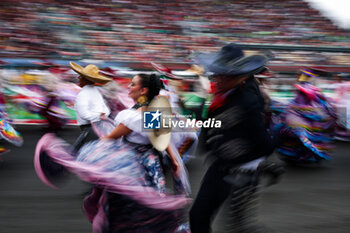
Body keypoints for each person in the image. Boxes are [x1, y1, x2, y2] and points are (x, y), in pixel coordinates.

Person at [34, 73, 191, 233]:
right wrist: (174, 161)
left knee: (126, 207)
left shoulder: (133, 117)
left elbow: (111, 137)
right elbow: (164, 140)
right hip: (151, 166)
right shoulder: (151, 114)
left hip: (132, 165)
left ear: (143, 90)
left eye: (132, 84)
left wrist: (95, 152)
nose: (128, 87)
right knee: (152, 204)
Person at [189, 43, 275, 233]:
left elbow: (264, 142)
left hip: (240, 171)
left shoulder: (247, 101)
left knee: (238, 226)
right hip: (221, 165)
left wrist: (252, 165)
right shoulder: (222, 96)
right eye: (218, 73)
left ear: (241, 77)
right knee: (198, 216)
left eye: (225, 75)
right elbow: (213, 124)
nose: (218, 79)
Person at [70, 62, 112, 152]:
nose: (78, 78)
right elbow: (106, 110)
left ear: (86, 79)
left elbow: (84, 114)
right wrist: (101, 115)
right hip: (99, 128)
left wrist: (99, 116)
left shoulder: (83, 94)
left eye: (80, 76)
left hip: (89, 130)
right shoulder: (96, 91)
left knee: (74, 155)